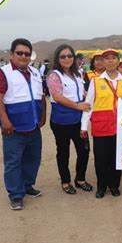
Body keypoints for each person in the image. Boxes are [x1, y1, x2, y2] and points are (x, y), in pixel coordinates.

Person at [0, 38, 46, 210]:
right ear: (11, 54)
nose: (23, 56)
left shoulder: (35, 72)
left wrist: (43, 115)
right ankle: (16, 195)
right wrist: (5, 120)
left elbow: (41, 96)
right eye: (19, 53)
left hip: (34, 125)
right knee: (13, 161)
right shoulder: (3, 73)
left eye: (27, 54)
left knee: (33, 158)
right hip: (13, 128)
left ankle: (27, 185)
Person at [81, 49, 122, 198]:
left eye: (113, 58)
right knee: (101, 158)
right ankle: (101, 186)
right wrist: (83, 126)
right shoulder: (96, 81)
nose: (110, 61)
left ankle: (114, 185)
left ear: (118, 61)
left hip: (120, 126)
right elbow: (88, 104)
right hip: (101, 125)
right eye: (106, 58)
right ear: (102, 62)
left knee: (116, 158)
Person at [47, 44, 92, 195]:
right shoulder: (54, 75)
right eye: (63, 56)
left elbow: (83, 92)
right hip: (62, 121)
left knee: (84, 150)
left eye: (69, 56)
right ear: (57, 59)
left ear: (74, 58)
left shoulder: (78, 74)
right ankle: (65, 181)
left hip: (79, 121)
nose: (67, 59)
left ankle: (80, 179)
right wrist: (77, 106)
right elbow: (57, 96)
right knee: (63, 152)